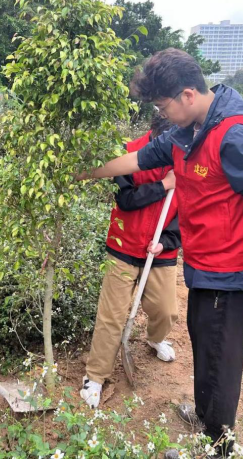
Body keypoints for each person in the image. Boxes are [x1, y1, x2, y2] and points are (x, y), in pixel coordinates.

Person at [77, 48, 243, 448]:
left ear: (188, 95)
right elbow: (137, 160)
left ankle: (218, 445)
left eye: (163, 105)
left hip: (233, 273)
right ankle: (206, 416)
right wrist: (85, 172)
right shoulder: (185, 133)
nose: (161, 114)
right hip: (204, 266)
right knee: (204, 344)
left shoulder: (236, 133)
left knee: (220, 358)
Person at [81, 115, 180, 409]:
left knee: (166, 309)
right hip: (124, 246)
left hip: (160, 250)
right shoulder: (129, 152)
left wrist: (167, 241)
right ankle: (96, 376)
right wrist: (164, 184)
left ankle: (154, 339)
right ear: (157, 136)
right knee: (112, 315)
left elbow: (187, 210)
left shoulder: (187, 159)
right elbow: (125, 200)